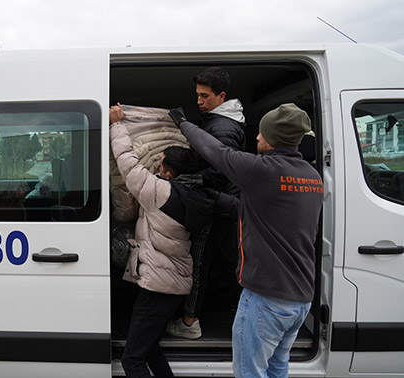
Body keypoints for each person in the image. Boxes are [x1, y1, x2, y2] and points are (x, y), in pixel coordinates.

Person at [171, 103, 323, 377]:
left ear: (273, 138)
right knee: (277, 367)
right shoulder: (312, 177)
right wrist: (216, 197)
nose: (256, 138)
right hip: (300, 300)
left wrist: (183, 124)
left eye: (261, 134)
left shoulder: (261, 170)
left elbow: (216, 152)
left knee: (249, 372)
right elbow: (262, 213)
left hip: (266, 299)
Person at [110, 103, 232, 378]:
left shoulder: (159, 193)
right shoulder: (198, 196)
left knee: (132, 360)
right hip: (172, 283)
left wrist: (117, 124)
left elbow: (128, 162)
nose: (157, 164)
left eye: (161, 162)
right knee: (149, 346)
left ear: (167, 173)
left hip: (157, 287)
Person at [166, 67, 245, 339]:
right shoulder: (217, 122)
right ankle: (242, 313)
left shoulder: (222, 127)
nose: (199, 101)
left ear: (221, 96)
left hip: (217, 205)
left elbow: (222, 172)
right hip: (228, 204)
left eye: (205, 96)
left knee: (198, 262)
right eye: (197, 95)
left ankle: (189, 322)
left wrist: (190, 180)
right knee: (228, 262)